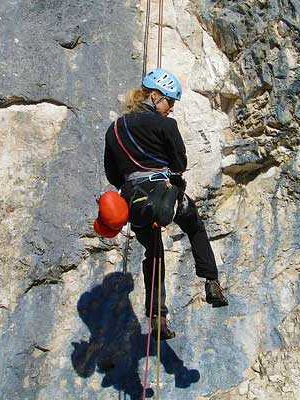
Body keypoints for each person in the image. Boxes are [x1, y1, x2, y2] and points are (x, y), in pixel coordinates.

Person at [103, 68, 228, 340]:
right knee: (194, 225)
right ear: (154, 95)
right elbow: (180, 164)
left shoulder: (113, 130)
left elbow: (113, 175)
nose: (171, 108)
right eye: (169, 101)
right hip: (165, 197)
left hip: (135, 204)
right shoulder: (166, 126)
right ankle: (211, 281)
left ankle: (157, 317)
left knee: (154, 253)